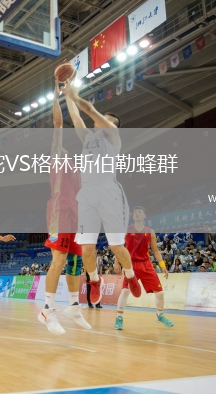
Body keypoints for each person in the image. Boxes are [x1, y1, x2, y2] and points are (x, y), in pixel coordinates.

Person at [62, 82, 141, 305]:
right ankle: (94, 281)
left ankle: (130, 276)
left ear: (110, 124)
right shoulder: (88, 138)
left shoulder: (113, 136)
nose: (96, 120)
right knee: (87, 247)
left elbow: (88, 110)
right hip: (87, 192)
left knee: (116, 246)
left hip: (108, 191)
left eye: (102, 119)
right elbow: (76, 117)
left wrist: (74, 95)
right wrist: (67, 96)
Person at [39, 78, 92, 335]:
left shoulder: (78, 169)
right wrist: (57, 94)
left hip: (76, 214)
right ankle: (47, 310)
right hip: (58, 210)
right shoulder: (56, 156)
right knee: (58, 260)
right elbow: (58, 123)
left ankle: (73, 306)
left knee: (74, 263)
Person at [114, 206, 174, 330]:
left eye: (140, 212)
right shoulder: (126, 230)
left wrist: (162, 265)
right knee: (125, 291)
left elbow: (155, 250)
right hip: (130, 265)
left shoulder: (150, 231)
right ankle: (119, 318)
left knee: (160, 293)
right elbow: (119, 247)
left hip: (146, 264)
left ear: (144, 215)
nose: (137, 213)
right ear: (133, 216)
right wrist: (116, 263)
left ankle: (160, 315)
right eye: (135, 212)